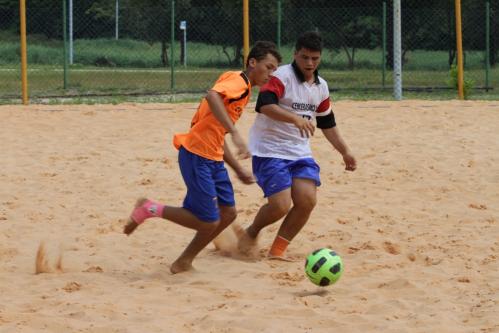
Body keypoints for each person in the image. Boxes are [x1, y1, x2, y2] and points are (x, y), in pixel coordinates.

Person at [123, 41, 281, 274]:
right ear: (252, 62)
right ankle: (150, 208)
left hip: (213, 157)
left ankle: (183, 261)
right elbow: (212, 97)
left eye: (274, 69)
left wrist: (237, 169)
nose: (271, 74)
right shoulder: (238, 83)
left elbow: (217, 131)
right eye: (269, 67)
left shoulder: (240, 84)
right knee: (207, 221)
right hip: (197, 155)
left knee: (228, 214)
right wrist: (236, 134)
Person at [235, 31, 357, 260]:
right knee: (280, 205)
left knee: (307, 200)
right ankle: (251, 232)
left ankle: (277, 251)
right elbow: (265, 105)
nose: (310, 63)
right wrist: (295, 119)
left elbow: (327, 123)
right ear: (295, 55)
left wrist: (345, 151)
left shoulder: (321, 86)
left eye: (315, 58)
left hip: (299, 153)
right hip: (269, 150)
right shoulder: (281, 76)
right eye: (305, 57)